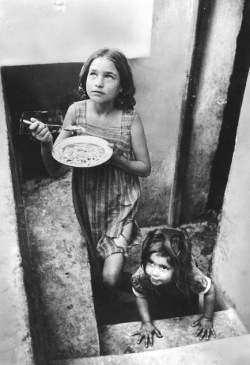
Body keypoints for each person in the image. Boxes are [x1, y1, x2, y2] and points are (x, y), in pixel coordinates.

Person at [29, 47, 151, 292]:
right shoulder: (76, 112)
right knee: (96, 264)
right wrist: (46, 143)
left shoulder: (130, 118)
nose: (99, 82)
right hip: (87, 201)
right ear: (85, 79)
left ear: (122, 86)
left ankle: (130, 285)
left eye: (109, 76)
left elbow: (145, 168)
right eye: (93, 74)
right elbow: (55, 170)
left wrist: (116, 159)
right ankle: (114, 297)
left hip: (121, 204)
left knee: (111, 276)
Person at [131, 228, 216, 347]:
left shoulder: (191, 276)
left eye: (163, 267)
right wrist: (146, 322)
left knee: (186, 304)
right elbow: (140, 295)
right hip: (160, 292)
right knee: (158, 305)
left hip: (183, 286)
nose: (154, 272)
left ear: (178, 268)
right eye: (151, 262)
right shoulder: (142, 275)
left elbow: (210, 290)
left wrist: (207, 318)